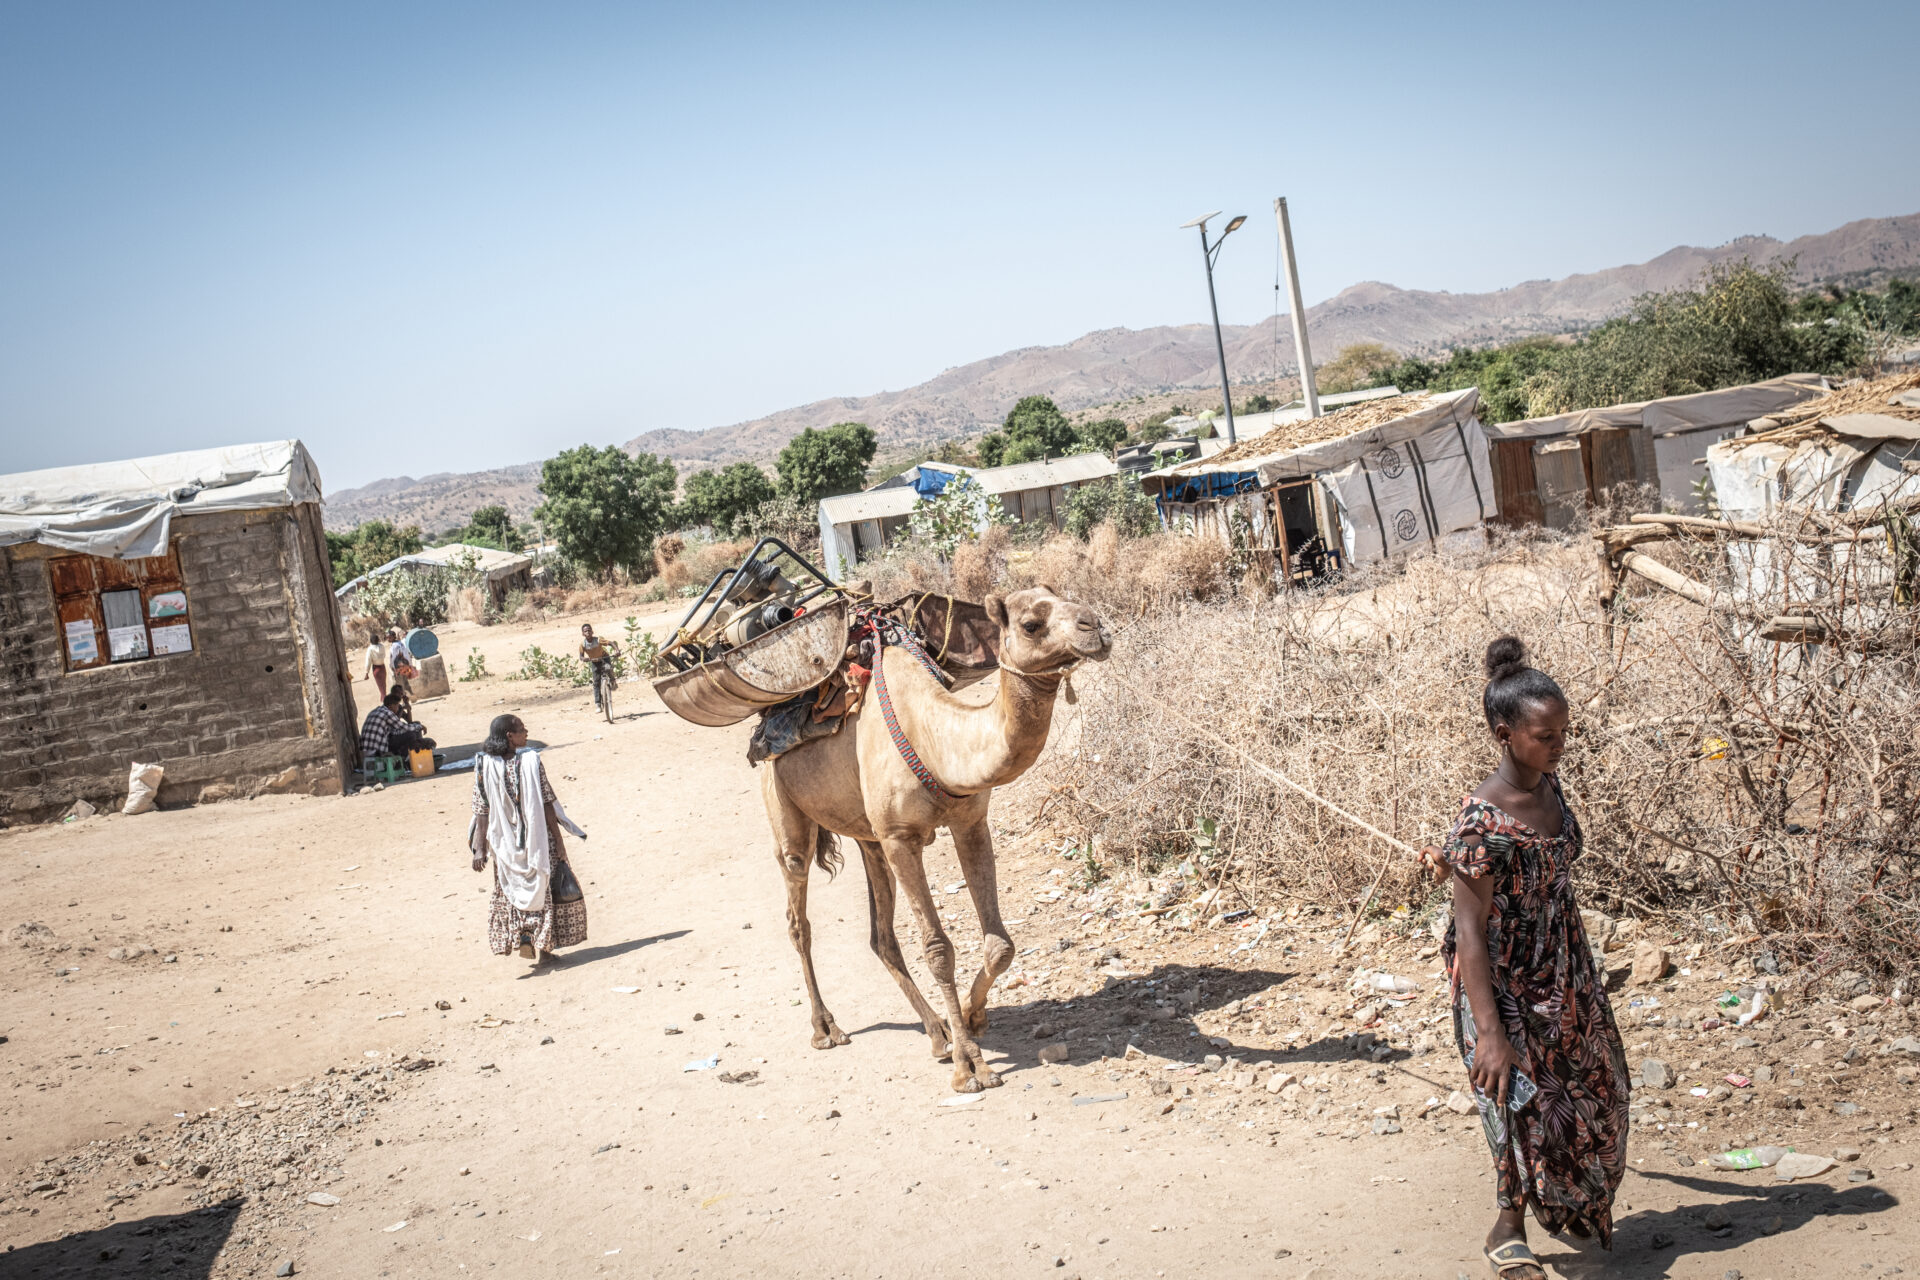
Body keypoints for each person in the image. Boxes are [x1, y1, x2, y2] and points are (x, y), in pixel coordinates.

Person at [1420, 637, 1628, 1279]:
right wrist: (1489, 1031)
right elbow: (1471, 930)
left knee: (1603, 1090)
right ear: (1506, 735)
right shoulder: (1478, 825)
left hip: (1564, 967)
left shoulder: (1550, 786)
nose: (1559, 743)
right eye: (1545, 735)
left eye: (1564, 731)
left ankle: (1571, 1201)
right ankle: (1507, 1227)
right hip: (1503, 980)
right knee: (1515, 1099)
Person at [469, 714, 588, 963]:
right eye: (522, 730)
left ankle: (524, 936)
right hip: (537, 839)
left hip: (504, 843)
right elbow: (547, 803)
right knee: (542, 888)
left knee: (512, 890)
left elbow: (481, 808)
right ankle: (544, 949)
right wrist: (560, 842)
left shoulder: (484, 764)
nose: (526, 733)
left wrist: (480, 848)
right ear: (510, 737)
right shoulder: (532, 761)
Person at [359, 688, 435, 760]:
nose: (398, 708)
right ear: (391, 706)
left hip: (367, 750)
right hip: (376, 751)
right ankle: (407, 759)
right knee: (411, 735)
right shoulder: (387, 713)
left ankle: (413, 757)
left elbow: (396, 730)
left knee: (413, 730)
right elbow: (403, 727)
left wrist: (416, 726)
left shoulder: (378, 710)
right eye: (397, 706)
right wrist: (419, 726)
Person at [579, 623, 616, 710]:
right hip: (594, 661)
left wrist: (617, 650)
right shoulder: (583, 645)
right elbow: (581, 656)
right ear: (583, 634)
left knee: (608, 668)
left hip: (604, 658)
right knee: (596, 683)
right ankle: (598, 704)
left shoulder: (598, 640)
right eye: (585, 631)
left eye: (589, 630)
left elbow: (611, 643)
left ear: (592, 631)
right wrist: (584, 659)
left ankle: (612, 680)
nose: (587, 632)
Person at [388, 627, 420, 694]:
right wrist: (409, 664)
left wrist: (392, 667)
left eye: (389, 637)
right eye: (387, 637)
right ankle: (411, 694)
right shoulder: (401, 643)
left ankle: (404, 698)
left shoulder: (394, 646)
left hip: (398, 668)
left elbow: (392, 658)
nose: (388, 639)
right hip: (405, 665)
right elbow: (406, 654)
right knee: (405, 681)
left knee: (399, 684)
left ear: (393, 637)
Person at [362, 628, 388, 698]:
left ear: (370, 641)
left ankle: (384, 701)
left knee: (381, 687)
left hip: (376, 669)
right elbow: (384, 655)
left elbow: (368, 661)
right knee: (384, 686)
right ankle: (384, 700)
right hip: (383, 668)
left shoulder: (370, 649)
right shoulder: (382, 646)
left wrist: (366, 673)